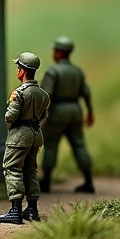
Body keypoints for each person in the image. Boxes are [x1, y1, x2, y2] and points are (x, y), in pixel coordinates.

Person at [0, 52, 50, 225]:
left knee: (12, 168)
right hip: (35, 134)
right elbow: (43, 115)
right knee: (31, 170)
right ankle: (32, 208)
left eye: (18, 68)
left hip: (19, 136)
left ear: (22, 71)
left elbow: (10, 117)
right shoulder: (43, 94)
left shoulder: (18, 93)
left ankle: (15, 210)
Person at [40, 36, 95, 193]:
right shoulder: (77, 71)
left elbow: (46, 95)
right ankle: (88, 180)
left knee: (51, 144)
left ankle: (46, 180)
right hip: (75, 110)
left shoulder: (53, 71)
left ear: (58, 53)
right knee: (79, 144)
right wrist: (90, 111)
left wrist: (40, 113)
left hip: (58, 112)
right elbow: (86, 92)